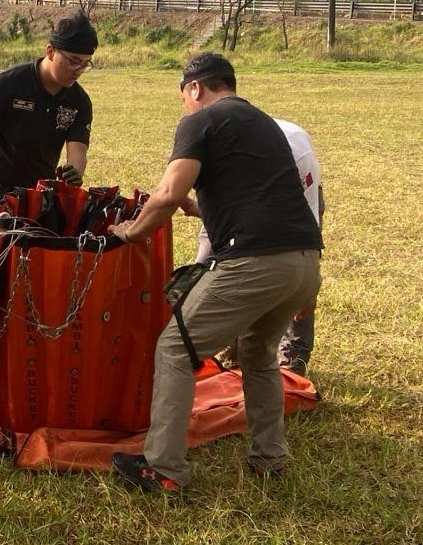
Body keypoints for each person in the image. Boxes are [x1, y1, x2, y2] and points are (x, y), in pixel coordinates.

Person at [106, 53, 322, 497]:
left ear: (194, 88)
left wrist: (131, 232)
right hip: (304, 263)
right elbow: (261, 199)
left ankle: (163, 468)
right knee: (259, 353)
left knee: (174, 347)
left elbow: (166, 193)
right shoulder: (263, 122)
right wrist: (200, 209)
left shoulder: (200, 121)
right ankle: (270, 460)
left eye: (184, 97)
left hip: (254, 264)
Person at [0, 10, 97, 389]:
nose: (77, 70)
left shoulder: (78, 102)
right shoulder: (10, 83)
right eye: (72, 61)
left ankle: (13, 364)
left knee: (29, 284)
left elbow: (77, 150)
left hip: (38, 203)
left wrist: (74, 173)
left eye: (85, 64)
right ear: (50, 51)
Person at [195, 117, 324, 374]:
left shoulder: (295, 154)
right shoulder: (214, 147)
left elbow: (307, 243)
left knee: (293, 273)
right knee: (212, 270)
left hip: (293, 210)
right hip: (238, 202)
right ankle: (229, 347)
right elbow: (210, 245)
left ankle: (294, 358)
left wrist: (307, 293)